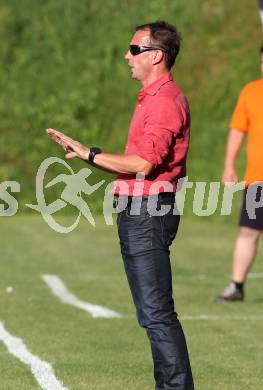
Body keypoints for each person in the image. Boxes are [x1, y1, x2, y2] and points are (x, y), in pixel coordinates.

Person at [47, 21, 194, 389]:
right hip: (141, 212)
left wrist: (91, 153)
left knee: (157, 314)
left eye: (134, 50)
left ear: (155, 55)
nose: (126, 56)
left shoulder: (165, 100)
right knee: (152, 314)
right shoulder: (152, 96)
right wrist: (86, 155)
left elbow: (143, 164)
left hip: (148, 212)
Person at [215, 46, 263, 302]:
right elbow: (237, 130)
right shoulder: (251, 91)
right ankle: (236, 286)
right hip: (258, 181)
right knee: (248, 232)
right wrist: (229, 165)